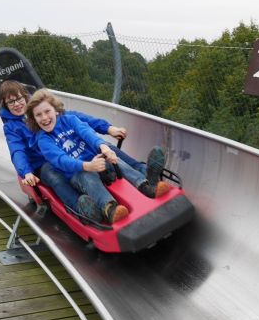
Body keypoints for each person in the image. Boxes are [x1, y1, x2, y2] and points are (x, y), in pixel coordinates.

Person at [0, 79, 146, 219]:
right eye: (11, 101)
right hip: (42, 162)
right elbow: (17, 150)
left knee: (104, 147)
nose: (16, 104)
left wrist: (108, 128)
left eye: (18, 98)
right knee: (54, 175)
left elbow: (78, 120)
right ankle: (82, 208)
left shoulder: (41, 107)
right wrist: (26, 172)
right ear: (5, 104)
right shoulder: (11, 127)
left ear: (25, 96)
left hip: (67, 150)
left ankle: (141, 170)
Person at [28, 88, 167, 224]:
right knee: (87, 177)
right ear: (34, 119)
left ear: (56, 110)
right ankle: (110, 209)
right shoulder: (43, 140)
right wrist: (87, 166)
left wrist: (103, 147)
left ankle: (146, 185)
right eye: (39, 115)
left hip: (97, 161)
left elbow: (86, 132)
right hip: (78, 172)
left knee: (114, 160)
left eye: (47, 111)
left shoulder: (70, 119)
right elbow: (61, 160)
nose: (44, 118)